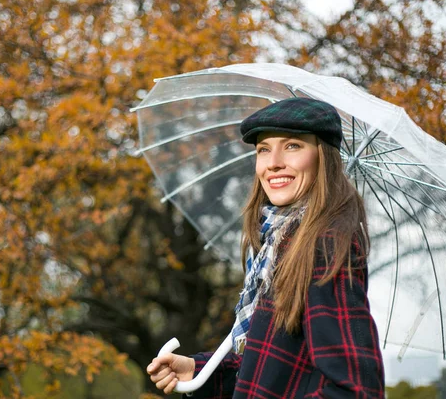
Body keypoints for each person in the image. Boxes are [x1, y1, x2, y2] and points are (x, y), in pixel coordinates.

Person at [147, 97, 385, 398]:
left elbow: (355, 390)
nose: (273, 163)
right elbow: (268, 371)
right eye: (263, 149)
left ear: (323, 157)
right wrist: (197, 369)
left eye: (293, 146)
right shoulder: (275, 244)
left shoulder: (324, 244)